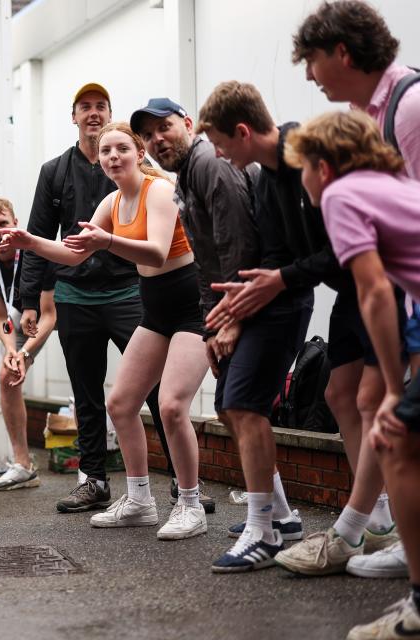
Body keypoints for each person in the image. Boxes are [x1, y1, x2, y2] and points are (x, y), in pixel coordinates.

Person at [200, 81, 401, 575]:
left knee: (375, 402)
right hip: (349, 290)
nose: (222, 157)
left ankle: (374, 522)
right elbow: (279, 255)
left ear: (243, 132)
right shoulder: (267, 180)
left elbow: (346, 245)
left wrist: (280, 280)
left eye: (223, 145)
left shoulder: (311, 160)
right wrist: (247, 297)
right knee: (339, 396)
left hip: (376, 284)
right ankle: (377, 514)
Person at [0, 122, 209, 540]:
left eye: (122, 149)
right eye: (106, 151)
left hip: (191, 306)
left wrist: (106, 242)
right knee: (121, 403)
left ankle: (190, 504)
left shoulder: (160, 190)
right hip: (155, 310)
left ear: (138, 154)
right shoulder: (113, 201)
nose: (113, 156)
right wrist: (32, 243)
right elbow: (75, 253)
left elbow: (156, 249)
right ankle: (140, 500)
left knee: (170, 406)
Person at [132, 95, 306, 570]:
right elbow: (207, 263)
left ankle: (264, 528)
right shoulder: (186, 177)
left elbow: (236, 246)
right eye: (147, 136)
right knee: (235, 409)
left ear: (188, 124)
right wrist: (213, 324)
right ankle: (281, 518)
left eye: (163, 128)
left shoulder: (208, 164)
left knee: (240, 407)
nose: (155, 141)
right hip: (233, 303)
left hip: (263, 300)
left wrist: (227, 320)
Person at [291, 0, 419, 579]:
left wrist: (398, 378)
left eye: (313, 61)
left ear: (342, 51)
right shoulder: (372, 114)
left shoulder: (410, 106)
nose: (310, 75)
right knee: (382, 417)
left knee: (393, 422)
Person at [284, 108, 420, 640]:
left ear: (323, 166)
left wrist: (392, 387)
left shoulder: (343, 197)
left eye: (302, 169)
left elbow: (376, 291)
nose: (301, 182)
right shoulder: (391, 186)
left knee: (396, 437)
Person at [0, 196, 57, 491]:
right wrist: (11, 351)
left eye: (3, 223)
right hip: (19, 316)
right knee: (7, 374)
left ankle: (91, 469)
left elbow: (49, 315)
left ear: (16, 224)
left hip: (62, 307)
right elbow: (0, 316)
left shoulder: (36, 253)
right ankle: (23, 465)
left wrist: (25, 352)